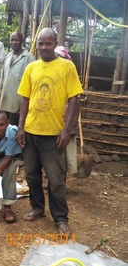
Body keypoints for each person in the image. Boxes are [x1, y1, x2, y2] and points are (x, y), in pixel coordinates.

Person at [17, 28, 83, 236]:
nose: (44, 47)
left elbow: (75, 99)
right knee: (32, 175)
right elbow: (24, 98)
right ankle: (37, 207)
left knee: (55, 180)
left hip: (53, 135)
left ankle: (61, 218)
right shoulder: (32, 67)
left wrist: (66, 130)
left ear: (55, 43)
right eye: (41, 44)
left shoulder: (66, 66)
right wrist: (20, 127)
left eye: (48, 43)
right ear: (36, 45)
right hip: (30, 132)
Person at [0, 32, 35, 126]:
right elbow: (3, 78)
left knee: (14, 130)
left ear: (21, 41)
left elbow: (32, 82)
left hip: (18, 104)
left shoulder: (28, 58)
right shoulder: (8, 56)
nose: (14, 42)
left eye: (16, 40)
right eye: (12, 40)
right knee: (3, 129)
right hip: (5, 102)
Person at [55, 46, 79, 178]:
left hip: (66, 127)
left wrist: (70, 127)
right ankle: (54, 183)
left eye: (60, 57)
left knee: (63, 159)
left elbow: (76, 104)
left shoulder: (69, 75)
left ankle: (61, 185)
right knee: (54, 159)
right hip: (53, 125)